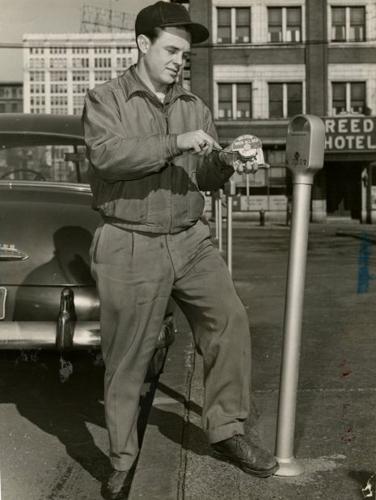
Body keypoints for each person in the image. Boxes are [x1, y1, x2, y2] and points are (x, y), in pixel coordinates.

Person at [82, 2, 278, 498]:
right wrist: (175, 141)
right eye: (170, 50)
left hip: (190, 238)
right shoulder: (106, 98)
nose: (178, 62)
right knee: (129, 357)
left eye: (184, 55)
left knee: (228, 319)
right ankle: (123, 460)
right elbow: (107, 158)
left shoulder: (194, 104)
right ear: (142, 45)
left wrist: (230, 161)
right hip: (128, 242)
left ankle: (227, 430)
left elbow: (205, 174)